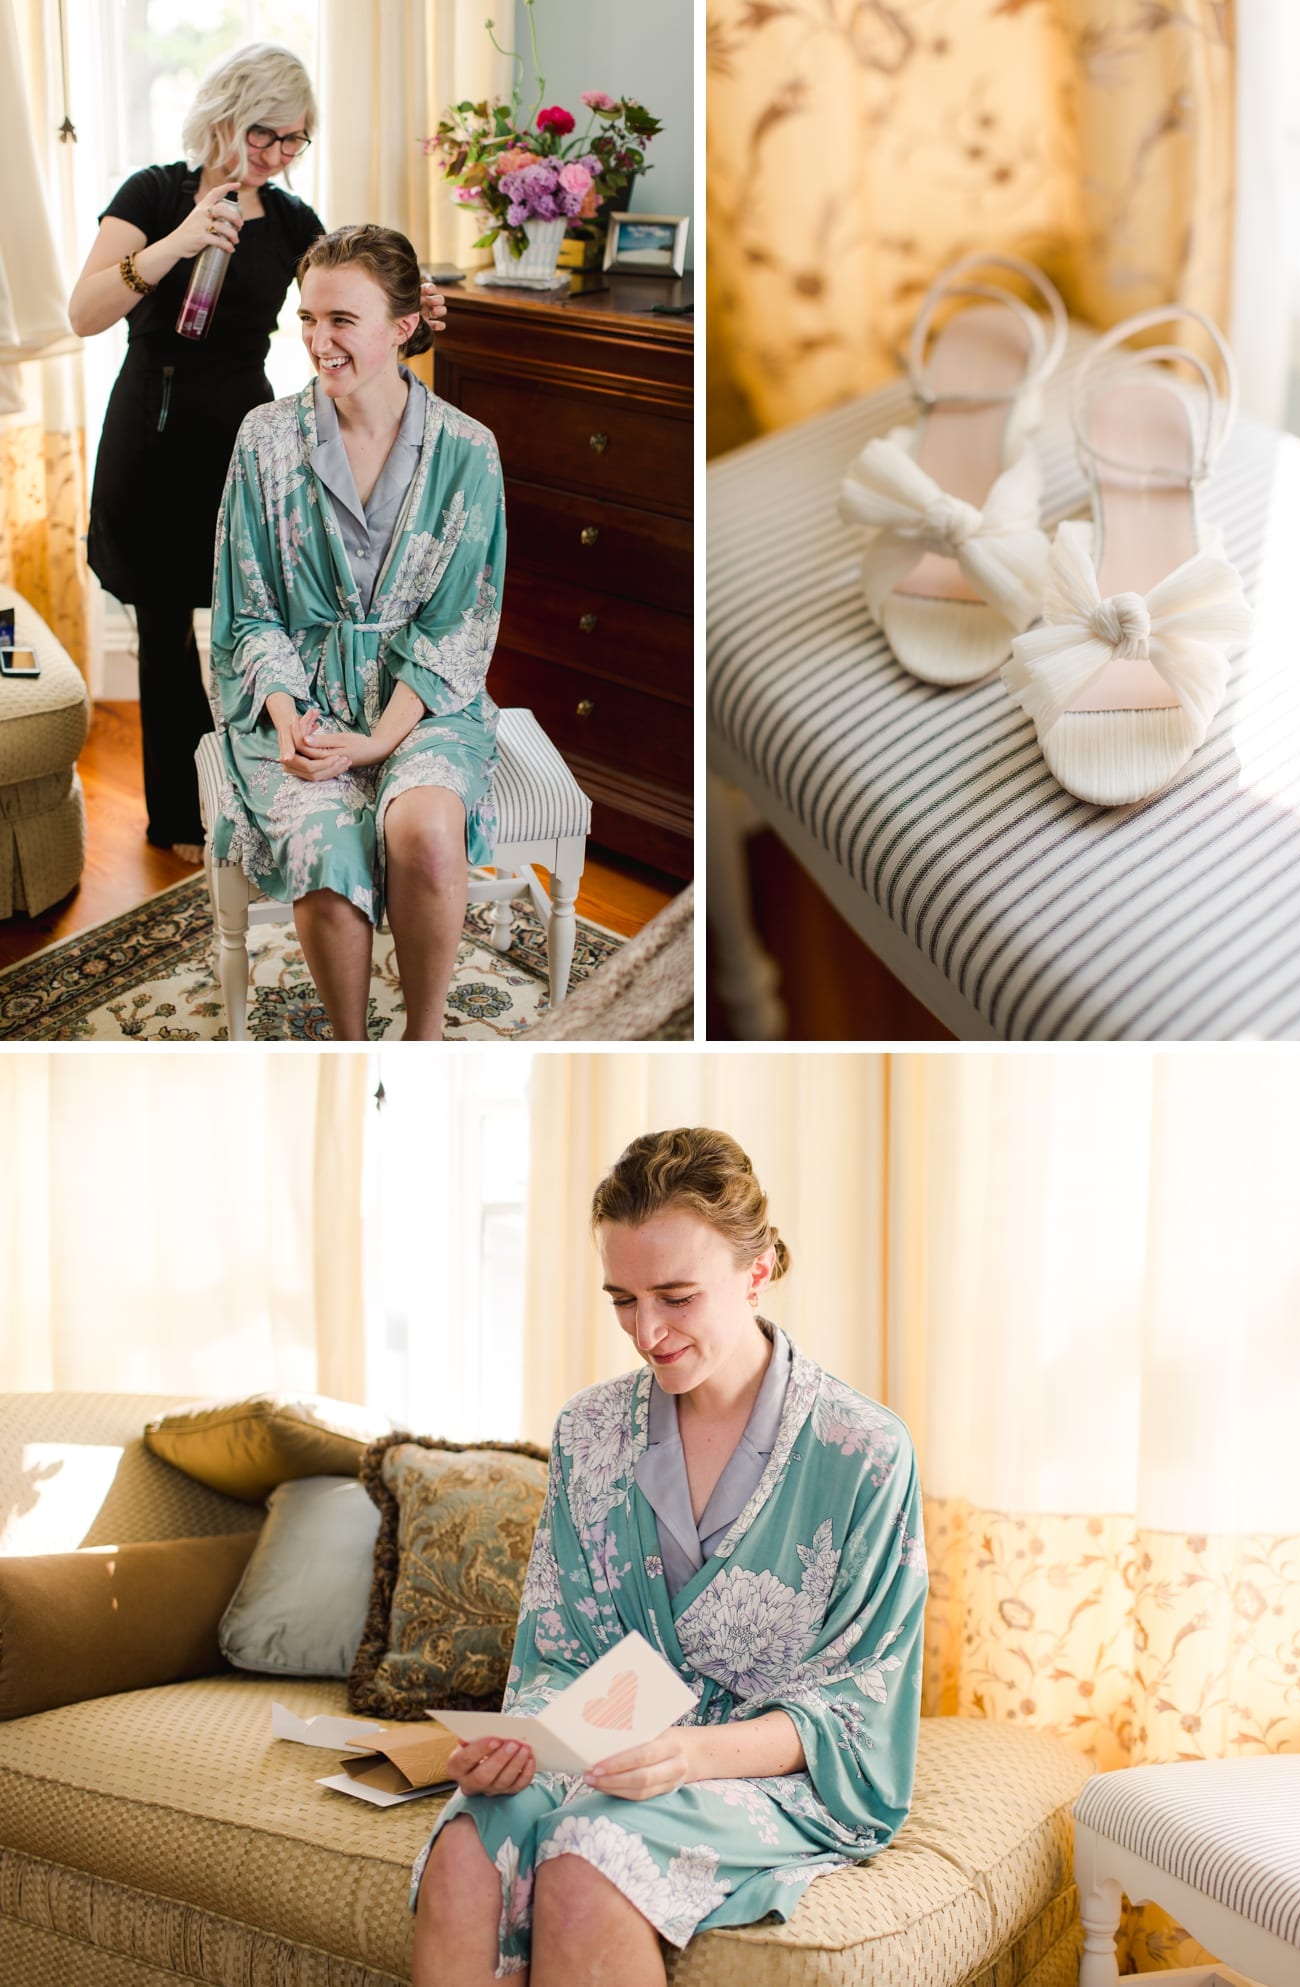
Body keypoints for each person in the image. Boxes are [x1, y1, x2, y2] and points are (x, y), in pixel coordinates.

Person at [410, 1128, 929, 1987]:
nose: (645, 1332)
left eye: (676, 1296)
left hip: (763, 1778)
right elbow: (557, 1651)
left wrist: (689, 1754)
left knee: (587, 1859)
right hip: (608, 1756)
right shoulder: (589, 1430)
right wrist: (522, 1747)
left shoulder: (864, 1451)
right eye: (622, 1298)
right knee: (466, 1849)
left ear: (755, 1272)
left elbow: (859, 1710)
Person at [68, 42, 447, 864]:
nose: (278, 156)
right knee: (162, 625)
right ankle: (178, 818)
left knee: (251, 626)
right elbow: (84, 311)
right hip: (150, 430)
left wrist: (412, 315)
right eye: (268, 135)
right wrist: (176, 242)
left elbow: (348, 312)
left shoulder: (295, 221)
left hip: (248, 439)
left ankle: (253, 795)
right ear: (226, 116)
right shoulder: (155, 192)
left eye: (294, 141)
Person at [208, 223, 503, 1041]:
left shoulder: (468, 453)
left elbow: (457, 630)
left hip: (422, 703)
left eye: (341, 320)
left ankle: (426, 1039)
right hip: (299, 704)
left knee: (428, 834)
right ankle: (348, 1045)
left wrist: (375, 743)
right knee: (325, 844)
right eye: (307, 319)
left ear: (403, 326)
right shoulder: (264, 441)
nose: (318, 341)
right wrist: (289, 719)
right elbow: (250, 610)